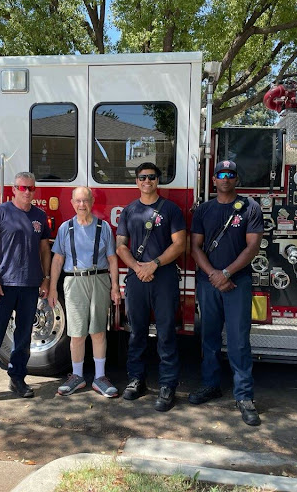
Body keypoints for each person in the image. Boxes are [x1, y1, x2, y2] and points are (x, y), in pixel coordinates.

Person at [0, 172, 51, 409]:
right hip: (2, 287)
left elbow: (45, 250)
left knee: (23, 338)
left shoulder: (40, 216)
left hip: (30, 286)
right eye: (22, 187)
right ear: (14, 189)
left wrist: (45, 279)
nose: (27, 192)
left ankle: (17, 379)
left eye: (31, 188)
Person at [189, 160, 264, 426]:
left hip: (237, 283)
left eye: (230, 174)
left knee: (238, 340)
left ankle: (244, 396)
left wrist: (227, 274)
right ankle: (211, 385)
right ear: (213, 179)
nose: (225, 178)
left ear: (236, 179)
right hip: (210, 282)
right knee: (208, 337)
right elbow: (195, 247)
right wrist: (214, 275)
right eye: (220, 174)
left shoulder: (250, 208)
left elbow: (252, 247)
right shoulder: (204, 210)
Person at [116, 162, 186, 412]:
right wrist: (137, 267)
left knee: (166, 332)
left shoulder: (171, 210)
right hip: (137, 278)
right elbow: (121, 245)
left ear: (158, 180)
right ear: (136, 182)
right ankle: (137, 380)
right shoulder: (129, 211)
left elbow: (179, 244)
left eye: (152, 177)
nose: (147, 181)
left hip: (164, 277)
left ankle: (168, 385)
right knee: (136, 332)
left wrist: (153, 265)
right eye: (142, 177)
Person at [48, 186, 121, 398]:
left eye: (85, 200)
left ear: (92, 202)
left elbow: (112, 259)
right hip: (74, 282)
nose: (82, 205)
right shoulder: (65, 228)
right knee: (77, 333)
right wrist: (53, 288)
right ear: (72, 203)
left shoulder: (103, 227)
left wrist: (115, 287)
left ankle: (100, 377)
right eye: (78, 201)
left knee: (98, 331)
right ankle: (77, 377)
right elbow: (58, 259)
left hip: (99, 279)